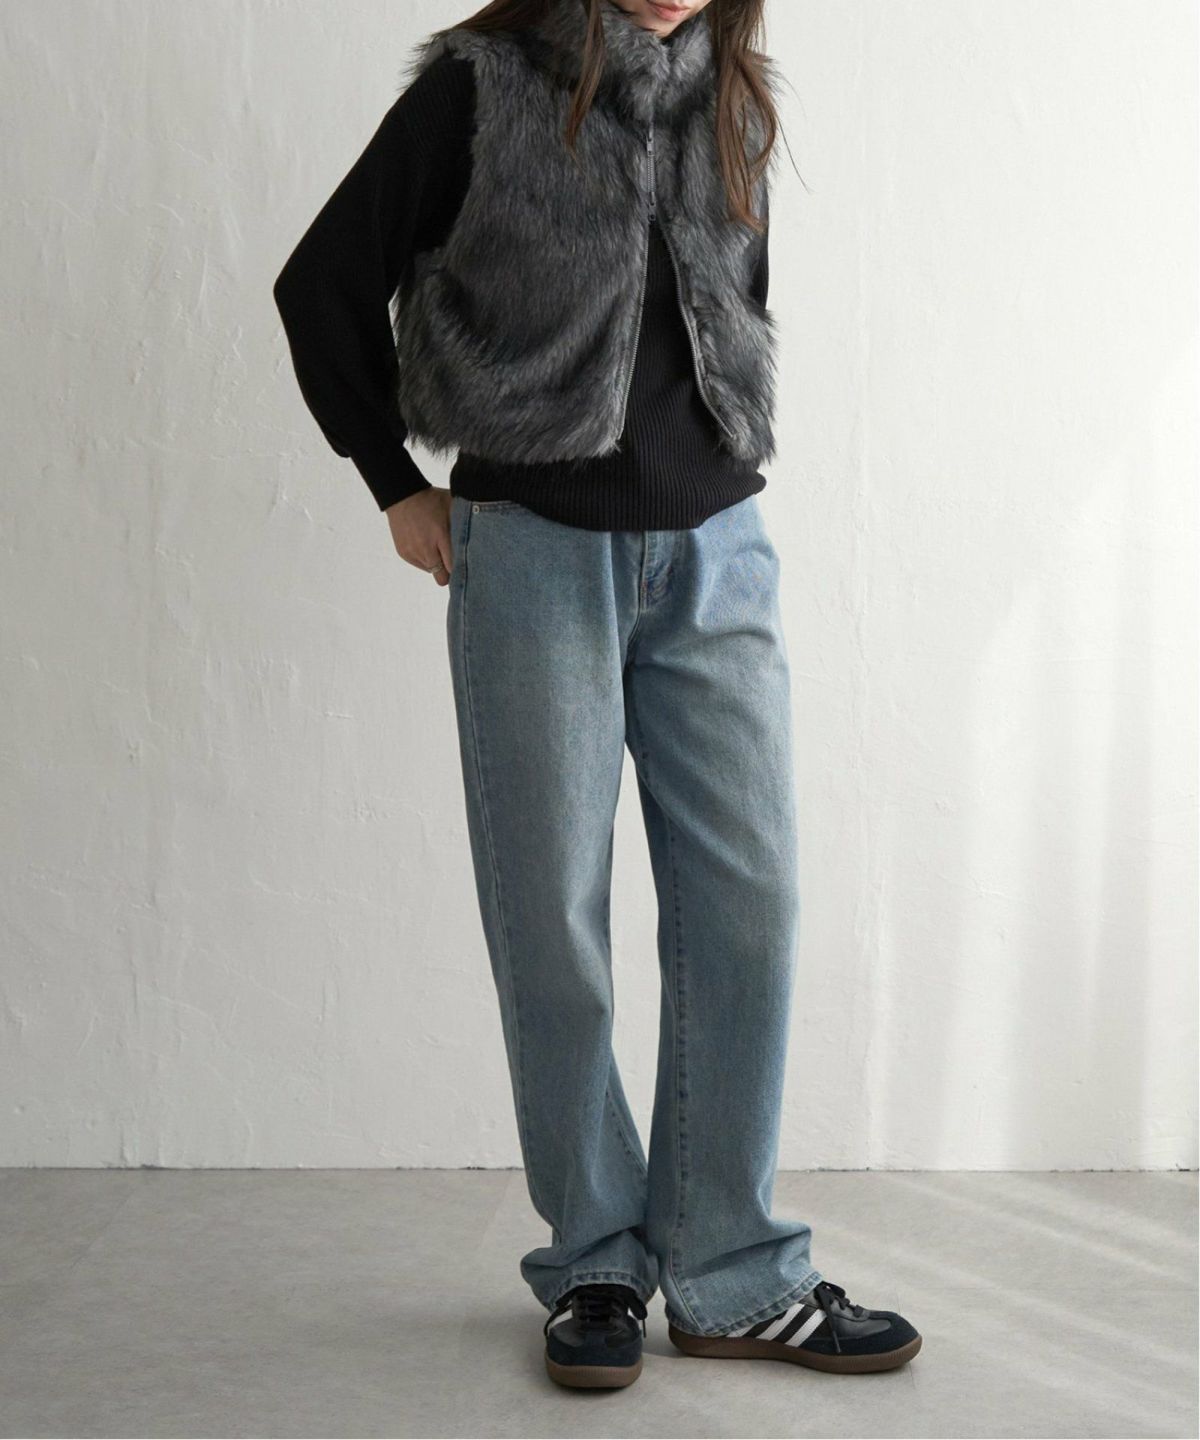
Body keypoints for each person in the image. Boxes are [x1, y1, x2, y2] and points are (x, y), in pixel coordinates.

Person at [274, 0, 921, 1391]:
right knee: (553, 921)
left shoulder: (736, 94)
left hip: (719, 553)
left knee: (750, 905)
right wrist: (394, 482)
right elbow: (317, 283)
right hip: (534, 557)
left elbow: (735, 312)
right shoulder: (478, 90)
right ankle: (596, 1261)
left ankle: (735, 1271)